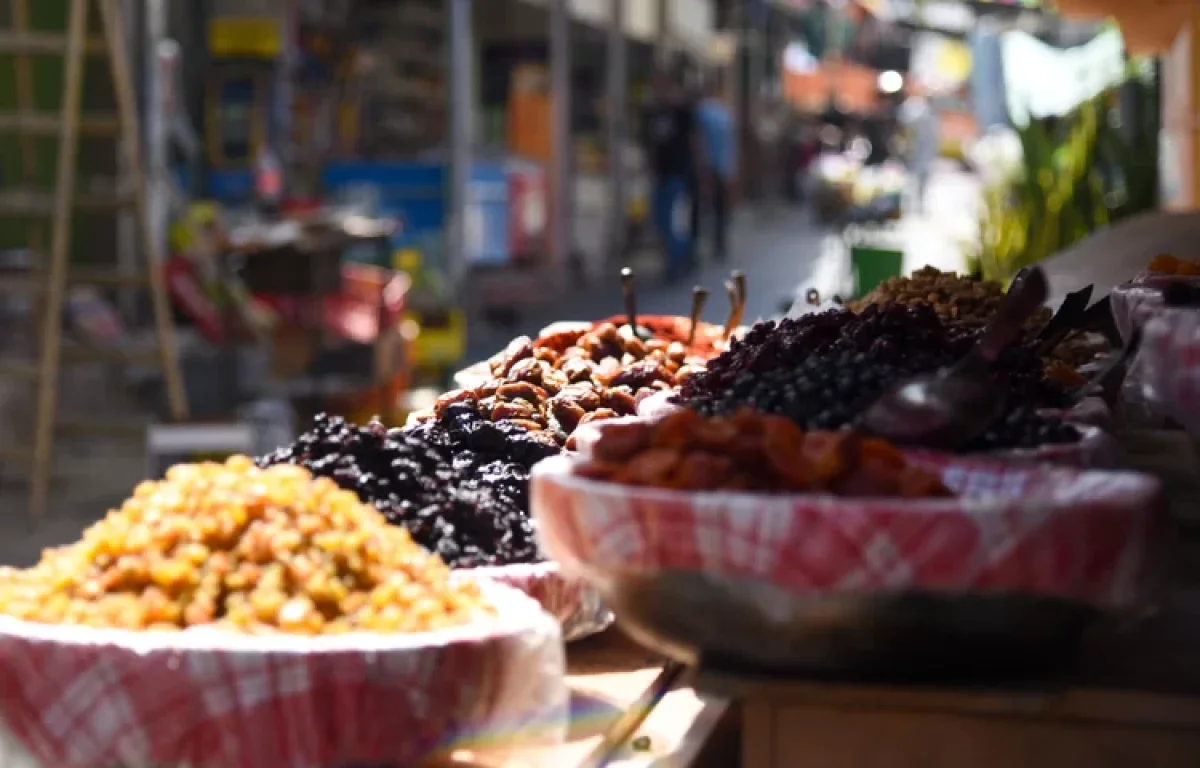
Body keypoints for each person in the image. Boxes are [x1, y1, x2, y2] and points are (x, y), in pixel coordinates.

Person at [643, 70, 697, 283]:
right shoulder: (654, 112)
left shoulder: (682, 112)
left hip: (678, 173)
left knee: (675, 222)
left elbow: (693, 141)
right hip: (661, 173)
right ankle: (675, 258)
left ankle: (679, 260)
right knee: (661, 220)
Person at [695, 76, 736, 261]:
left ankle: (696, 245)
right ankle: (719, 243)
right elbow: (731, 144)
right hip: (723, 167)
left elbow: (699, 141)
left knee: (701, 208)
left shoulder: (702, 112)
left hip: (706, 167)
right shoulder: (725, 113)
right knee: (720, 209)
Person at [898, 90, 939, 214]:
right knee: (909, 180)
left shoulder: (931, 113)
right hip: (914, 152)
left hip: (924, 153)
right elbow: (904, 121)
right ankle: (908, 206)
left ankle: (918, 206)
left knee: (922, 181)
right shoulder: (916, 107)